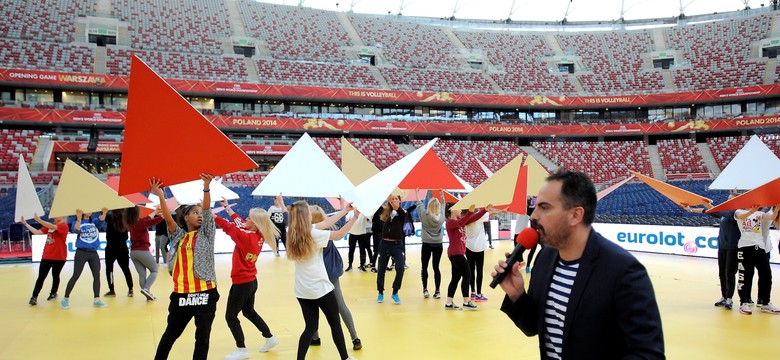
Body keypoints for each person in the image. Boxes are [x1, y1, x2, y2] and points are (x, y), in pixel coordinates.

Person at [492, 169, 664, 359]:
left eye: (545, 207)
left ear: (575, 215)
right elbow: (533, 327)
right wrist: (516, 295)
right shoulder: (545, 259)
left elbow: (647, 354)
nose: (533, 216)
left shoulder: (623, 271)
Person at [151, 174, 220, 360]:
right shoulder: (178, 236)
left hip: (205, 294)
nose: (199, 215)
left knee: (202, 338)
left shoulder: (207, 234)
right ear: (186, 217)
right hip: (181, 295)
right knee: (170, 335)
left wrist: (206, 187)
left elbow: (207, 210)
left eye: (200, 213)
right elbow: (168, 219)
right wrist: (160, 196)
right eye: (195, 213)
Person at [286, 200, 359, 360]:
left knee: (310, 327)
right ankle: (345, 358)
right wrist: (354, 217)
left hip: (302, 290)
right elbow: (339, 234)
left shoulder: (291, 232)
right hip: (320, 289)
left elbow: (326, 222)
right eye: (309, 212)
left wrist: (344, 210)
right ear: (306, 216)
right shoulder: (313, 234)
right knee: (335, 323)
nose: (312, 213)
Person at [217, 199, 281, 360]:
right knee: (248, 311)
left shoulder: (246, 237)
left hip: (242, 283)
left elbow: (230, 227)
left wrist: (211, 215)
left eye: (249, 218)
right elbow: (239, 223)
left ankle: (241, 349)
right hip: (251, 281)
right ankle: (270, 338)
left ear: (256, 223)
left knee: (231, 316)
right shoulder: (257, 235)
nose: (245, 219)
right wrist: (226, 207)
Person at [309, 205, 363, 351]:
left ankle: (314, 337)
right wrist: (354, 215)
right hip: (332, 273)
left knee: (313, 306)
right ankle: (355, 337)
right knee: (340, 305)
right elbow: (339, 229)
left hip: (318, 274)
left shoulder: (312, 233)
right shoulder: (326, 231)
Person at [685, 193, 739, 310]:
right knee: (722, 273)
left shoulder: (736, 213)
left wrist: (710, 206)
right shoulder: (724, 214)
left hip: (732, 247)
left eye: (731, 199)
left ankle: (729, 298)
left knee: (730, 273)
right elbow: (707, 211)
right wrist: (691, 210)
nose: (728, 200)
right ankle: (724, 296)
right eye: (728, 198)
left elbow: (719, 211)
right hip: (722, 246)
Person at [734, 204, 780, 315]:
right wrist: (751, 211)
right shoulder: (738, 211)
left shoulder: (759, 214)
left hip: (759, 247)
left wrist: (776, 211)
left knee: (766, 275)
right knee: (744, 275)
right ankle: (743, 302)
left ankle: (765, 303)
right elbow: (741, 217)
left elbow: (771, 218)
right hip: (745, 247)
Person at [61, 208, 109, 309]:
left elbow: (101, 220)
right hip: (81, 252)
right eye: (88, 209)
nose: (90, 210)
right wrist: (79, 219)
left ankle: (97, 299)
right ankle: (65, 299)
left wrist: (104, 212)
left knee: (97, 276)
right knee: (76, 275)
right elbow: (76, 230)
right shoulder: (76, 222)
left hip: (93, 253)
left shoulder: (94, 221)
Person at [444, 204, 486, 310]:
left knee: (456, 278)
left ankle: (449, 303)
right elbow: (461, 222)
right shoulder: (450, 222)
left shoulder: (460, 220)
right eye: (458, 208)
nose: (460, 209)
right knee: (467, 274)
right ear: (452, 210)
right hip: (456, 253)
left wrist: (485, 210)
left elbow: (473, 218)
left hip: (457, 253)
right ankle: (466, 301)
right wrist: (469, 212)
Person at [23, 213, 68, 305]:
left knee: (55, 275)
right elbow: (37, 232)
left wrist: (39, 220)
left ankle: (53, 293)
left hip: (59, 256)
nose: (55, 216)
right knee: (41, 277)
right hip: (47, 256)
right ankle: (34, 296)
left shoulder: (64, 226)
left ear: (63, 216)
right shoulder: (50, 226)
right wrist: (25, 224)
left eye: (57, 214)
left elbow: (52, 226)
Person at [125, 206, 164, 301]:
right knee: (154, 270)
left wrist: (156, 213)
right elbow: (152, 221)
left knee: (142, 275)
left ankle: (148, 295)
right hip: (142, 250)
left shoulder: (131, 223)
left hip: (133, 252)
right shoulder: (140, 222)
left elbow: (147, 220)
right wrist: (163, 216)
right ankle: (146, 289)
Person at [376, 195, 409, 304]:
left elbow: (402, 214)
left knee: (400, 268)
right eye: (392, 199)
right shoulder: (386, 211)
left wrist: (396, 207)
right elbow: (376, 206)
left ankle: (395, 292)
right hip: (385, 244)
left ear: (399, 200)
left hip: (397, 245)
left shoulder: (403, 212)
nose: (394, 201)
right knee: (381, 269)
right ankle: (380, 292)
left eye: (396, 199)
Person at [416, 189, 445, 299]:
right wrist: (442, 194)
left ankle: (425, 290)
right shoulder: (441, 217)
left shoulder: (424, 215)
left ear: (428, 206)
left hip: (426, 244)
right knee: (436, 267)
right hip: (438, 244)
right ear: (437, 207)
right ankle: (437, 291)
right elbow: (443, 204)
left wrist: (417, 192)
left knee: (424, 267)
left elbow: (419, 203)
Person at [104, 209, 134, 297]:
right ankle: (130, 289)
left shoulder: (110, 218)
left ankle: (112, 290)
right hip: (122, 247)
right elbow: (126, 236)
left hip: (111, 247)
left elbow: (104, 218)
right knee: (126, 269)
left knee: (109, 269)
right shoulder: (125, 220)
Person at [368, 208, 383, 272]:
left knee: (382, 250)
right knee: (377, 250)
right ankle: (373, 265)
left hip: (381, 233)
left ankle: (381, 265)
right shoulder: (374, 213)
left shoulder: (383, 213)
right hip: (377, 233)